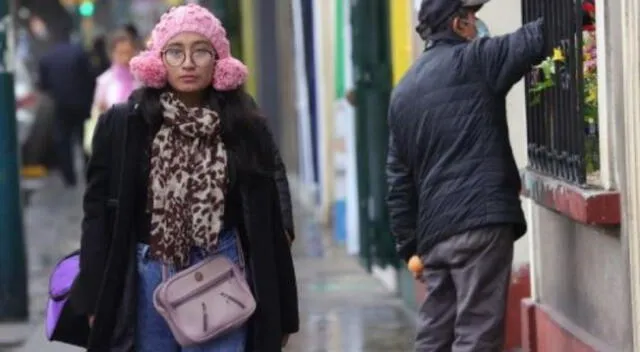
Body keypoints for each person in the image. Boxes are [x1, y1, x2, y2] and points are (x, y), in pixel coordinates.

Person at [69, 4, 299, 351]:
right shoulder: (125, 123)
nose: (188, 62)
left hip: (223, 271)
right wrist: (93, 299)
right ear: (159, 59)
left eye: (200, 51)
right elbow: (98, 214)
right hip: (148, 278)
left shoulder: (245, 125)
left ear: (219, 60)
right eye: (175, 51)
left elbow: (267, 217)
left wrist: (282, 310)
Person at [385, 0, 547, 351]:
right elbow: (539, 36)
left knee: (434, 335)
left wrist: (410, 247)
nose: (478, 24)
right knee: (477, 333)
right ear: (458, 25)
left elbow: (398, 181)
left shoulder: (403, 92)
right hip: (481, 223)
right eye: (473, 17)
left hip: (434, 236)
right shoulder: (477, 61)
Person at [39, 29, 95, 187]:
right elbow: (90, 76)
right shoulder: (79, 53)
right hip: (82, 103)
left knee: (63, 141)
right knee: (84, 139)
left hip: (60, 105)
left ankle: (69, 177)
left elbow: (44, 85)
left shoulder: (47, 57)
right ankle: (87, 173)